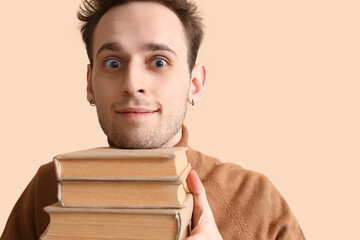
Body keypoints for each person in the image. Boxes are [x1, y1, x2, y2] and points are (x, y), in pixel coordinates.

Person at [1, 0, 306, 239]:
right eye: (113, 62)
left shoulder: (254, 200)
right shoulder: (48, 187)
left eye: (158, 62)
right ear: (90, 83)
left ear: (194, 84)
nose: (132, 82)